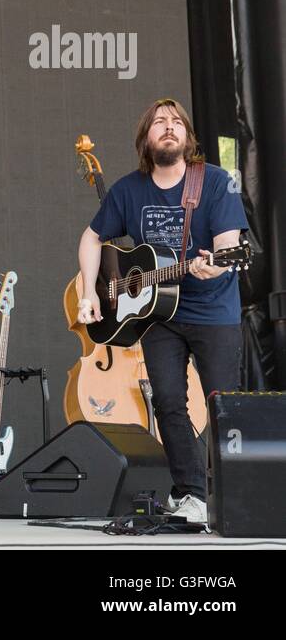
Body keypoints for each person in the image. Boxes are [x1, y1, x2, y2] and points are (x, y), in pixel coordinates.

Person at [77, 98, 248, 524]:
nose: (168, 128)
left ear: (188, 138)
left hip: (214, 310)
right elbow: (91, 239)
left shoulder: (215, 181)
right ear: (146, 139)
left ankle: (233, 497)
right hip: (158, 315)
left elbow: (229, 247)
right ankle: (192, 494)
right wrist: (90, 293)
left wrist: (217, 262)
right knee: (169, 402)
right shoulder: (128, 190)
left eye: (176, 123)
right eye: (158, 123)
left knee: (223, 404)